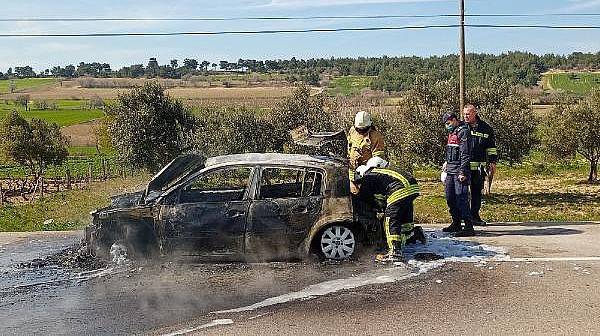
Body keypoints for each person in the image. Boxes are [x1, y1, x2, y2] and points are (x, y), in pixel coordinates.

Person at [352, 157, 425, 262]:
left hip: (399, 189)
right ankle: (413, 235)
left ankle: (395, 252)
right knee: (404, 219)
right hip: (412, 187)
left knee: (390, 219)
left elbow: (367, 199)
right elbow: (382, 195)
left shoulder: (367, 178)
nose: (359, 185)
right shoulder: (380, 173)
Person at [463, 104, 498, 226]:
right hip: (464, 168)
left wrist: (492, 161)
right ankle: (463, 218)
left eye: (468, 114)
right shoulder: (462, 127)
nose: (465, 116)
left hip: (478, 168)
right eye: (464, 114)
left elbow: (491, 147)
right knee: (462, 193)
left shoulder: (486, 128)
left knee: (476, 193)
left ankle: (474, 216)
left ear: (474, 113)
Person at [441, 112, 475, 237]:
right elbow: (451, 150)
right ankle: (456, 223)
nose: (447, 126)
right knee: (450, 197)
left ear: (454, 120)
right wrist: (446, 163)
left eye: (448, 123)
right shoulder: (452, 132)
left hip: (459, 171)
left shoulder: (463, 131)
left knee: (461, 198)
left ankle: (468, 226)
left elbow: (465, 154)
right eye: (446, 124)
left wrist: (463, 171)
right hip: (450, 169)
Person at [347, 111, 386, 180]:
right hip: (352, 172)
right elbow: (349, 146)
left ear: (369, 126)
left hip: (367, 176)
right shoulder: (352, 131)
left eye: (363, 130)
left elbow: (378, 161)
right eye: (358, 129)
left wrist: (366, 170)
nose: (361, 132)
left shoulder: (376, 137)